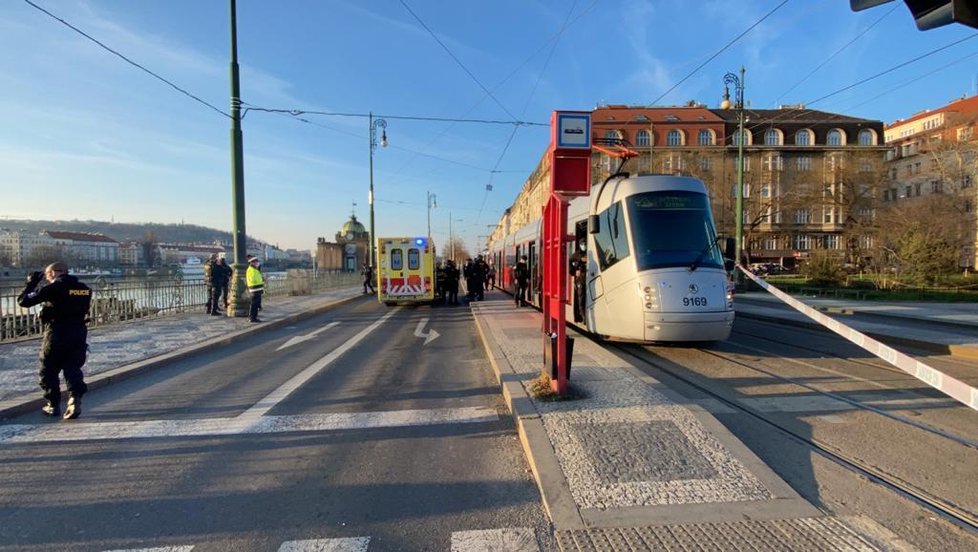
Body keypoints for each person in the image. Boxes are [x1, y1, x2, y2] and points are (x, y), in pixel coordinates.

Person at [17, 262, 92, 419]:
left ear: (54, 273)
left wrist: (31, 283)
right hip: (78, 333)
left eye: (47, 274)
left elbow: (23, 301)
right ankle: (74, 398)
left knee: (48, 369)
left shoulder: (53, 288)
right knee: (72, 368)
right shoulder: (84, 289)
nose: (47, 277)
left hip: (57, 333)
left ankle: (53, 405)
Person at [246, 255, 264, 322]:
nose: (257, 263)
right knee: (254, 304)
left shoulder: (255, 269)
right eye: (256, 262)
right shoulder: (251, 269)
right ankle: (252, 317)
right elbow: (253, 278)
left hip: (257, 288)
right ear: (252, 262)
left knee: (256, 304)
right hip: (254, 288)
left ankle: (254, 317)